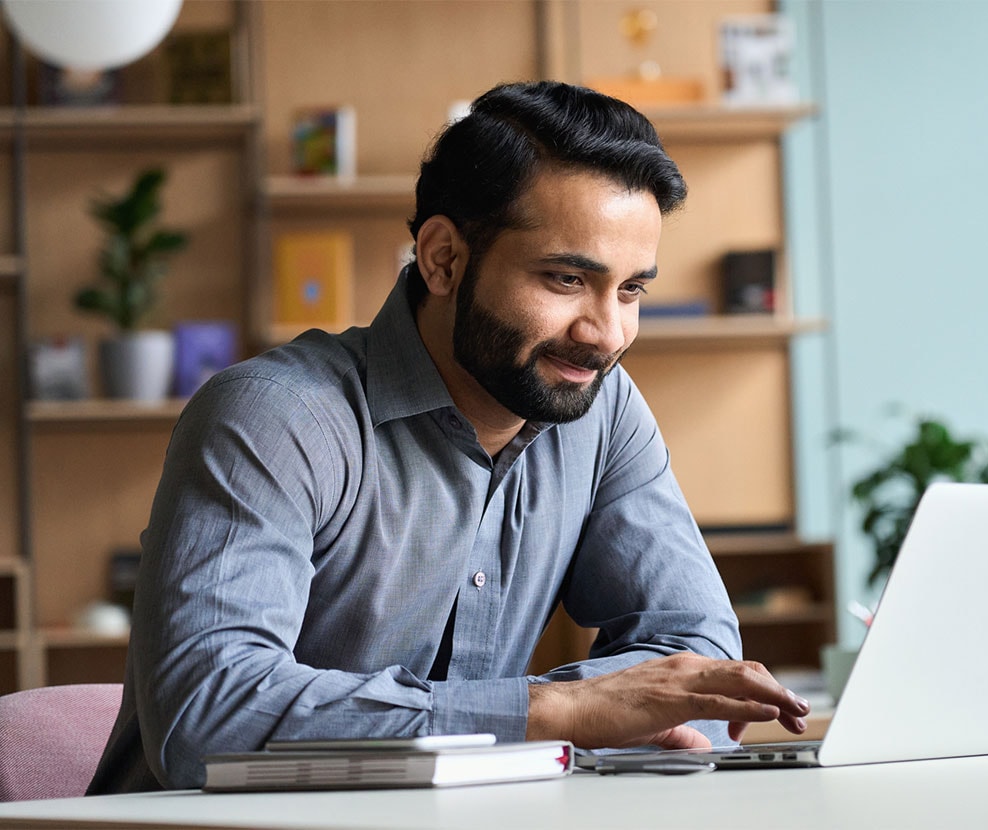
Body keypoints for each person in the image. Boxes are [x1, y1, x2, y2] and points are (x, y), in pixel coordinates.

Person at [88, 80, 808, 793]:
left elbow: (699, 655)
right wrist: (554, 711)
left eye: (630, 291)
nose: (607, 334)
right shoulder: (274, 418)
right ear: (442, 259)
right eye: (565, 279)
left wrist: (592, 713)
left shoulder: (603, 408)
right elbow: (208, 719)